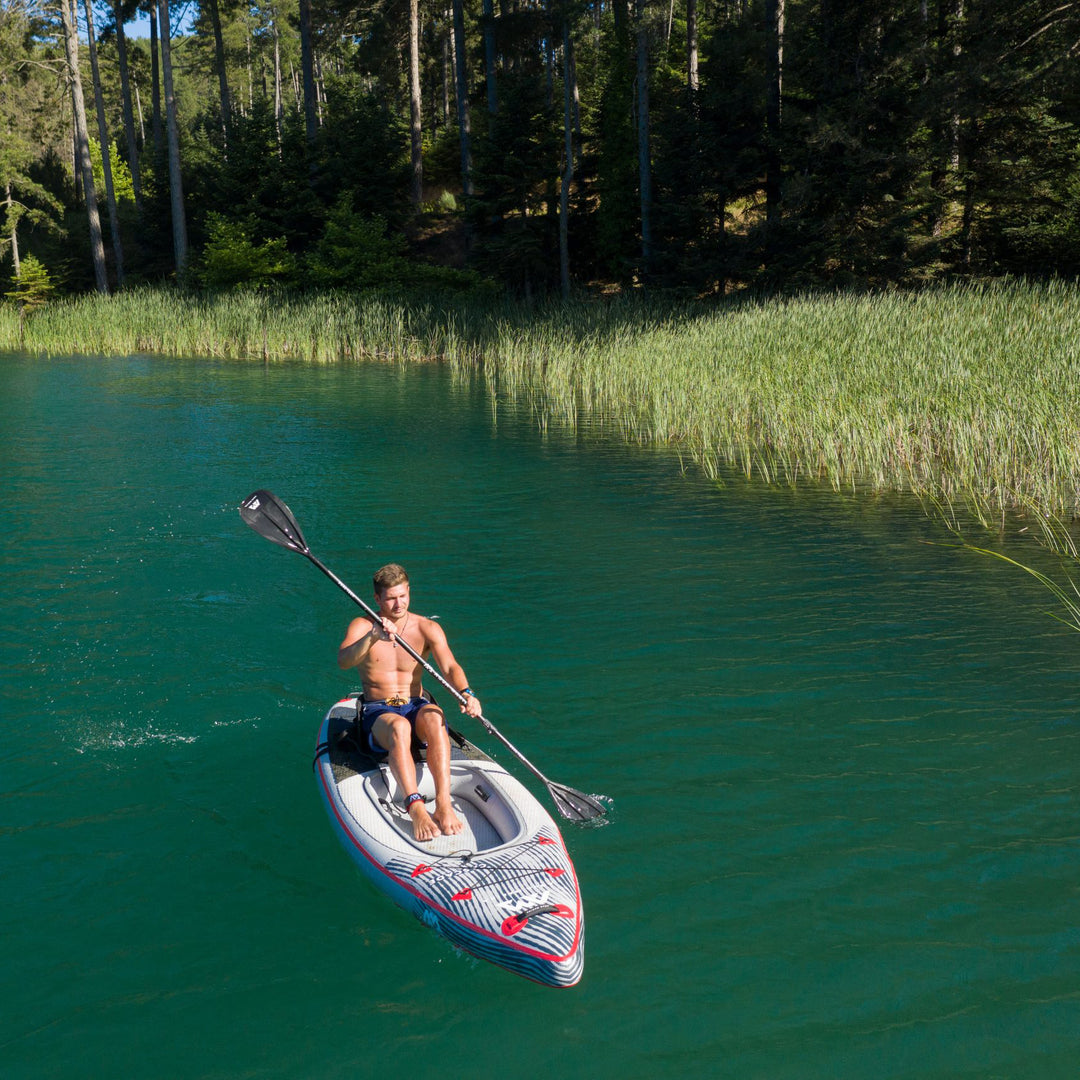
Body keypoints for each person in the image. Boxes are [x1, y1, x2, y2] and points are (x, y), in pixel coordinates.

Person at [337, 563, 483, 842]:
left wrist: (467, 693)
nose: (398, 603)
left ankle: (442, 804)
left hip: (413, 702)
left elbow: (450, 666)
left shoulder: (426, 627)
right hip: (378, 709)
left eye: (403, 595)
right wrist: (371, 638)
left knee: (435, 717)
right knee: (399, 728)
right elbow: (344, 661)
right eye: (390, 598)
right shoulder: (363, 625)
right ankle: (415, 808)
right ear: (377, 599)